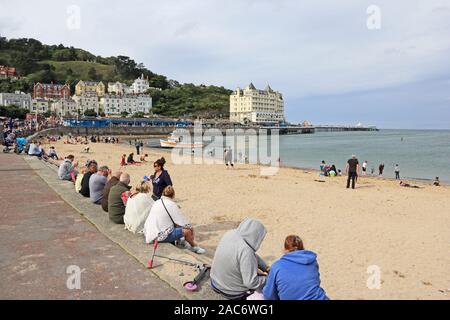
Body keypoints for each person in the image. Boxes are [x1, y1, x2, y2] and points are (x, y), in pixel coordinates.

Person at [210, 218, 268, 300]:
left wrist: (265, 267)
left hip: (215, 282)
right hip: (231, 293)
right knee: (261, 283)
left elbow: (251, 256)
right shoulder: (246, 250)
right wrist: (268, 279)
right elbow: (251, 283)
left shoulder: (229, 234)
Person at [263, 235, 329, 300]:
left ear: (285, 249)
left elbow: (268, 295)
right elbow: (316, 282)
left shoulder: (276, 266)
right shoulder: (312, 261)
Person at [143, 186, 205, 253]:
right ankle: (194, 247)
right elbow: (182, 221)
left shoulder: (157, 202)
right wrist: (191, 228)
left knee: (174, 224)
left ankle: (181, 242)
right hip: (158, 236)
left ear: (163, 193)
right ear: (173, 195)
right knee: (188, 231)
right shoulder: (171, 204)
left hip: (149, 232)